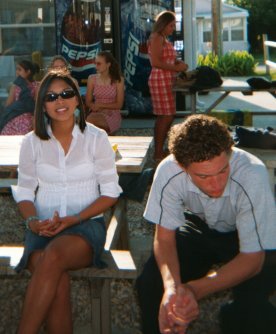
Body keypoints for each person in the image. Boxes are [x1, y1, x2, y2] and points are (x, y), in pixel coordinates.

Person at [136, 114, 276, 334]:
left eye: (222, 170)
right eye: (203, 176)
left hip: (247, 232)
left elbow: (253, 259)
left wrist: (194, 289)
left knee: (253, 307)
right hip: (199, 224)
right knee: (151, 283)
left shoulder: (252, 173)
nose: (216, 184)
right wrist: (172, 288)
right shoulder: (168, 170)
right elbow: (164, 238)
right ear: (182, 166)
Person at [12, 69, 122, 333]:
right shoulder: (31, 142)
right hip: (43, 229)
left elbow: (111, 192)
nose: (59, 101)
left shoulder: (96, 139)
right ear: (43, 105)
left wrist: (75, 218)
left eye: (66, 94)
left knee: (52, 258)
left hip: (84, 227)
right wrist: (33, 222)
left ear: (77, 100)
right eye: (51, 97)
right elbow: (25, 191)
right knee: (55, 277)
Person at [148, 11, 188, 163]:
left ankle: (159, 150)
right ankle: (158, 152)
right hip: (160, 79)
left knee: (165, 116)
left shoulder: (163, 38)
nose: (173, 28)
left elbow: (165, 60)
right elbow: (155, 62)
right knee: (167, 116)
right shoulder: (157, 37)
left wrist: (178, 64)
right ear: (163, 24)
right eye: (171, 25)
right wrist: (176, 68)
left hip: (166, 79)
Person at [85, 51, 124, 135]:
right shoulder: (92, 79)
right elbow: (88, 101)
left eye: (99, 64)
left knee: (90, 121)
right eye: (95, 63)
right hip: (96, 112)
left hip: (112, 114)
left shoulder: (118, 80)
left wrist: (101, 106)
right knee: (91, 120)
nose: (96, 66)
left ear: (108, 64)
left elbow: (119, 104)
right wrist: (96, 107)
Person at [0, 60, 40, 135]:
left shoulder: (36, 86)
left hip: (28, 118)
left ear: (28, 72)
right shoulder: (15, 86)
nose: (17, 72)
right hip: (14, 117)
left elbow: (37, 105)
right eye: (16, 69)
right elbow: (8, 105)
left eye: (20, 70)